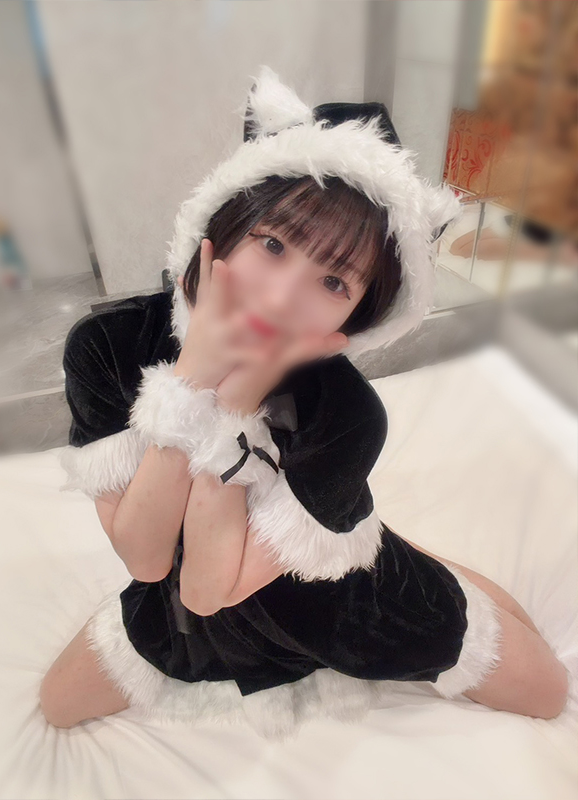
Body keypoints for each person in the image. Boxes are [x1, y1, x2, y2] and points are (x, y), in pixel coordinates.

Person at [40, 65, 568, 740]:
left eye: (333, 281)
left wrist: (238, 404)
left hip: (336, 607)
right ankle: (379, 533)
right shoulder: (113, 346)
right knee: (56, 704)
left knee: (549, 693)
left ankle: (400, 555)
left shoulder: (347, 414)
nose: (283, 296)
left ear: (357, 316)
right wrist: (191, 380)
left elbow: (213, 586)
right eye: (272, 244)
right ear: (222, 226)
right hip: (186, 617)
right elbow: (148, 563)